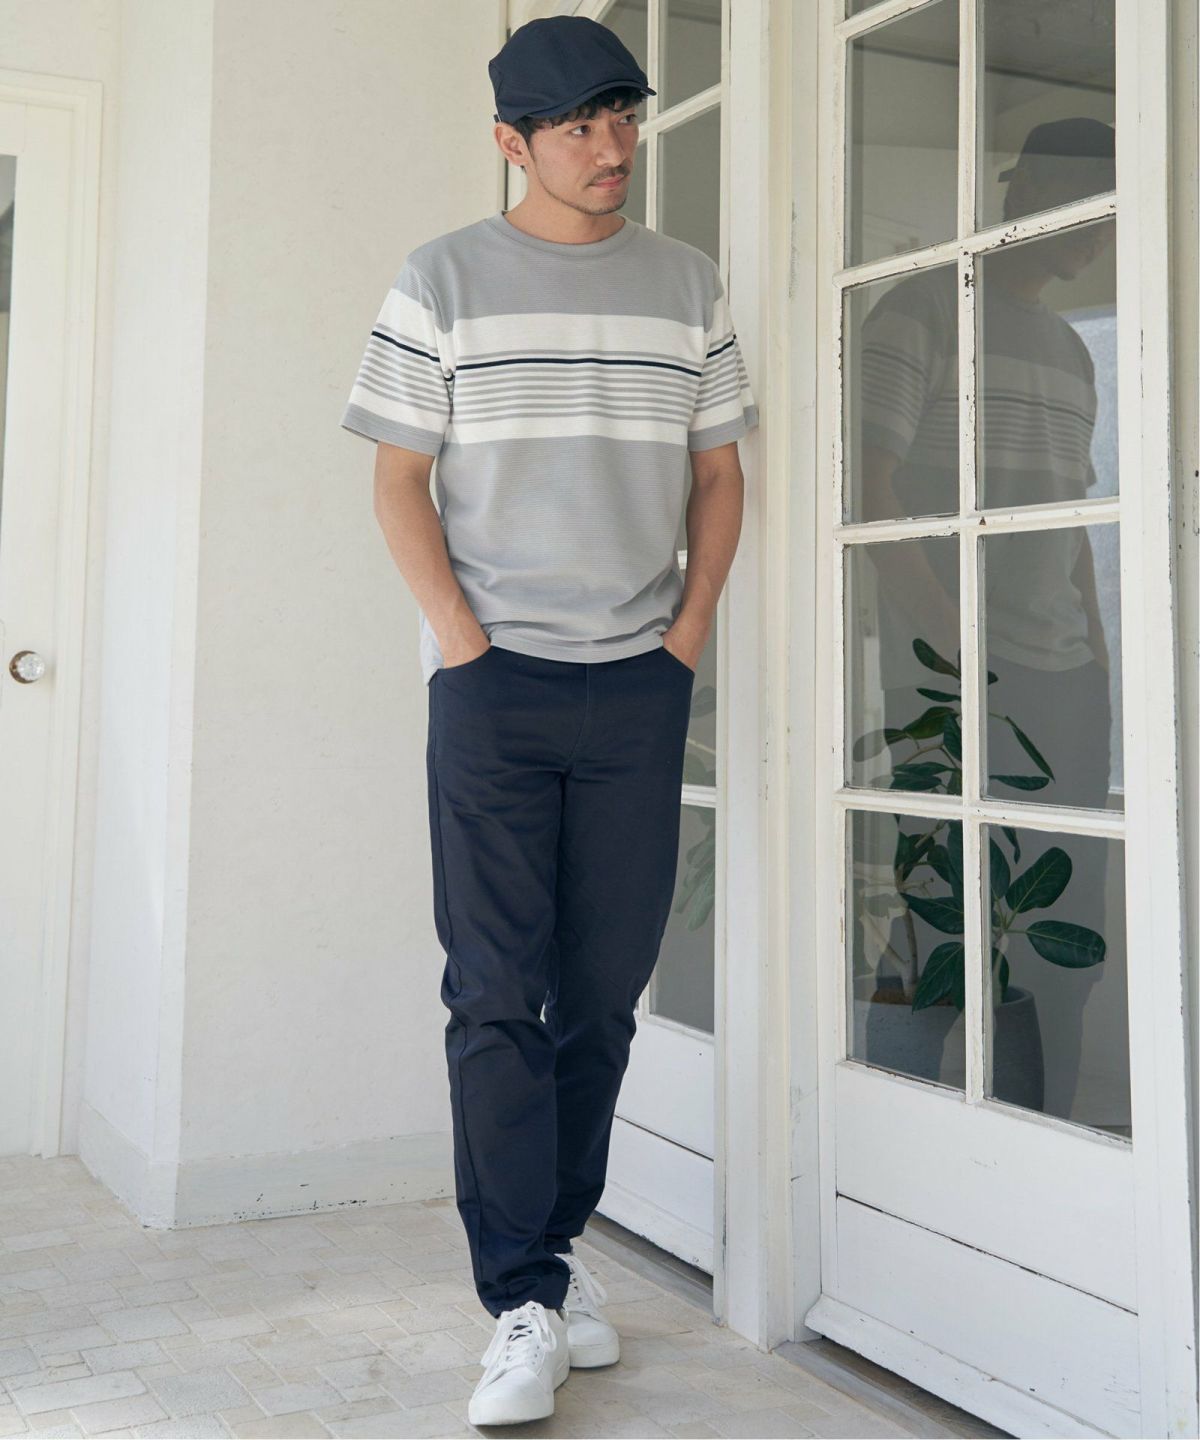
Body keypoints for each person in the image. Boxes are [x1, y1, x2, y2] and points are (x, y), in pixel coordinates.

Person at [340, 15, 758, 1427]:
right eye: (579, 124)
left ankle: (554, 1251)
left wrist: (684, 639)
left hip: (639, 681)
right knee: (492, 992)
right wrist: (463, 646)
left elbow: (719, 473)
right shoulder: (441, 279)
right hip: (494, 685)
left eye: (624, 115)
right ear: (512, 143)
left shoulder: (686, 282)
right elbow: (398, 480)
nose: (613, 145)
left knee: (600, 996)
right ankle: (519, 1296)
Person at [853, 118, 1117, 1122]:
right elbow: (870, 494)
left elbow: (1071, 518)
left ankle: (1040, 1142)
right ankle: (895, 1136)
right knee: (935, 916)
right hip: (953, 677)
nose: (1095, 226)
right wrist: (952, 644)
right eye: (1077, 196)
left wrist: (1096, 660)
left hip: (1065, 680)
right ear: (1024, 190)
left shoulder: (1071, 351)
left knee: (1062, 930)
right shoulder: (923, 310)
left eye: (1106, 206)